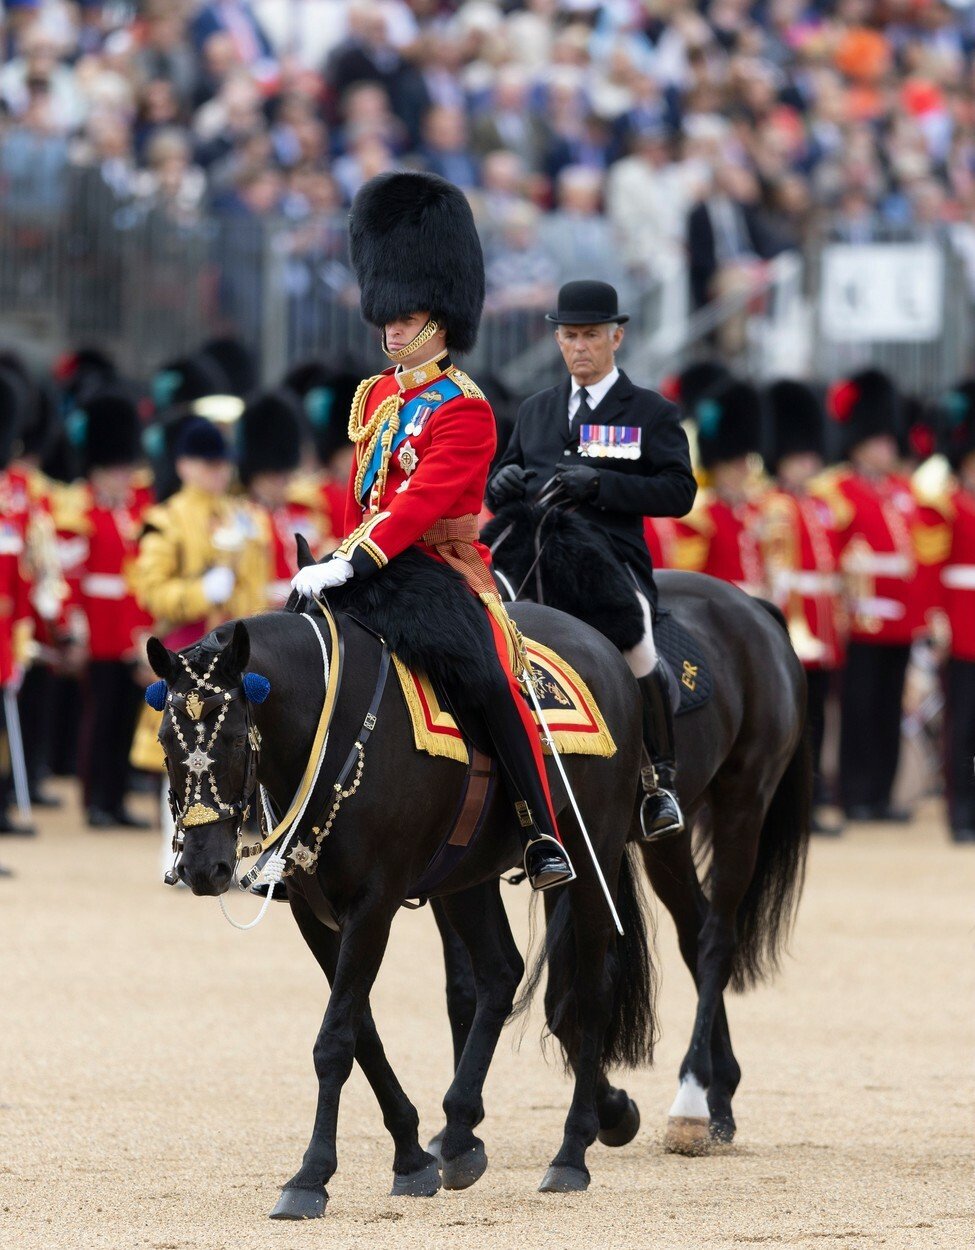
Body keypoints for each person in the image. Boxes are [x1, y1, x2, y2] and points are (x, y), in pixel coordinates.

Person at [291, 170, 574, 891]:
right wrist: (340, 558)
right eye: (387, 314)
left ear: (440, 320)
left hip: (436, 564)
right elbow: (367, 494)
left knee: (484, 674)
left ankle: (538, 825)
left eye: (406, 315)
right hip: (366, 559)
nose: (390, 327)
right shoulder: (378, 395)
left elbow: (419, 504)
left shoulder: (464, 409)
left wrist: (355, 561)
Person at [487, 279, 697, 840]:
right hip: (535, 556)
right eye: (570, 336)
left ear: (616, 337)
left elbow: (680, 492)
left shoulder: (651, 412)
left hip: (610, 559)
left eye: (591, 336)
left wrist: (603, 483)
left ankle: (659, 783)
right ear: (558, 340)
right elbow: (507, 477)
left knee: (638, 642)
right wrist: (501, 482)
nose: (580, 347)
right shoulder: (535, 410)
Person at [129, 415, 268, 860]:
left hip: (228, 654)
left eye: (222, 464)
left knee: (239, 745)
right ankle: (176, 848)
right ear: (185, 466)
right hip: (187, 651)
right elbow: (151, 590)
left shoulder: (243, 517)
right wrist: (199, 593)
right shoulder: (165, 520)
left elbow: (256, 584)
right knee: (183, 747)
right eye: (208, 464)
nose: (219, 472)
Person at [812, 370, 934, 823]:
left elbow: (916, 554)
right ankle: (855, 792)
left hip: (900, 619)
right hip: (861, 618)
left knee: (888, 707)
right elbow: (831, 553)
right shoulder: (837, 489)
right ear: (859, 441)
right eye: (879, 440)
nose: (887, 449)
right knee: (858, 709)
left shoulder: (902, 491)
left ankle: (881, 795)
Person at [58, 388, 155, 828]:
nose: (121, 476)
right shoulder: (81, 511)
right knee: (98, 718)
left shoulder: (137, 509)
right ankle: (94, 799)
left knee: (123, 720)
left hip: (130, 630)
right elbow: (71, 579)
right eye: (113, 469)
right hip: (98, 627)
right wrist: (73, 628)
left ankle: (115, 799)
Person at [759, 379, 845, 835]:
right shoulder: (774, 504)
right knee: (795, 717)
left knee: (817, 717)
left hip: (822, 621)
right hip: (793, 620)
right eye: (799, 458)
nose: (808, 465)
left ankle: (813, 799)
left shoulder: (820, 504)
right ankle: (793, 806)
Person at [670, 378, 767, 598]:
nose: (743, 470)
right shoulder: (700, 518)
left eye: (744, 461)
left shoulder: (755, 512)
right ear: (717, 466)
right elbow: (689, 585)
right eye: (734, 464)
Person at [930, 381, 975, 843]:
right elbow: (931, 568)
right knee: (961, 725)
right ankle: (960, 810)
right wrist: (936, 617)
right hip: (963, 626)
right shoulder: (947, 506)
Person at [236, 389, 330, 606]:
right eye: (271, 476)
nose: (280, 483)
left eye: (283, 474)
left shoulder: (306, 509)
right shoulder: (237, 515)